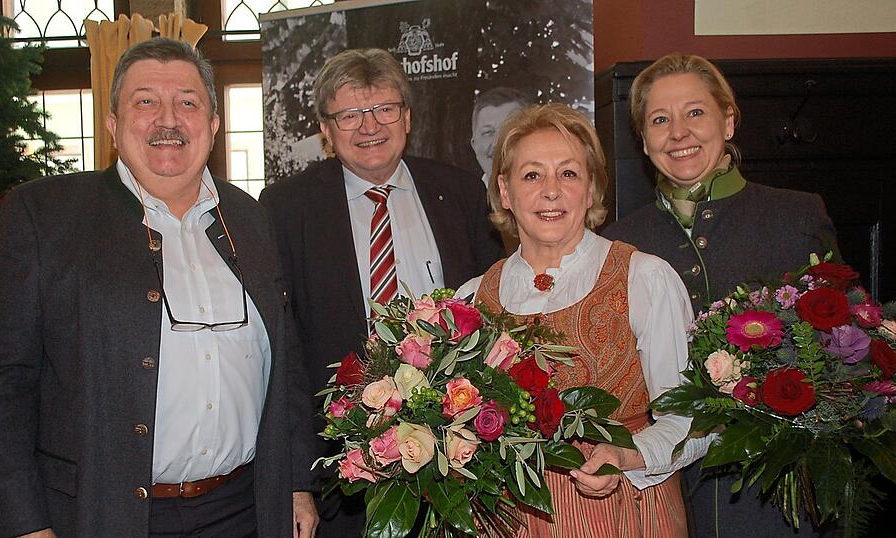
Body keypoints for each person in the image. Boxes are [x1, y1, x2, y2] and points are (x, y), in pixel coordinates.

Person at [0, 38, 318, 538]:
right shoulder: (44, 217)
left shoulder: (251, 218)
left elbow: (284, 360)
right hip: (105, 514)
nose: (168, 119)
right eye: (146, 101)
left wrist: (294, 482)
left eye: (188, 102)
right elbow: (2, 382)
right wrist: (25, 524)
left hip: (244, 510)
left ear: (214, 125)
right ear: (113, 124)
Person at [259, 47, 504, 538]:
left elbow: (493, 312)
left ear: (407, 118)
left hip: (458, 456)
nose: (369, 126)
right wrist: (295, 478)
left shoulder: (459, 193)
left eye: (384, 109)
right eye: (349, 114)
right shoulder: (286, 209)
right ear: (326, 130)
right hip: (343, 470)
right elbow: (283, 351)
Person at [602, 53, 839, 537]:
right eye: (660, 120)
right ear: (644, 141)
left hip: (781, 501)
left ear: (728, 121)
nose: (679, 133)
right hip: (665, 498)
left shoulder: (796, 218)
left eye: (695, 112)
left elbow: (844, 353)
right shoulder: (620, 245)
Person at [456, 103, 709, 537]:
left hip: (623, 512)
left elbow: (694, 420)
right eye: (532, 175)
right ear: (504, 191)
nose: (551, 191)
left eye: (569, 174)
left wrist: (628, 456)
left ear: (591, 189)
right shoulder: (470, 298)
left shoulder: (644, 277)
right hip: (504, 520)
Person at [471, 86, 530, 186]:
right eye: (488, 132)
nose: (497, 144)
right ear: (474, 145)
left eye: (509, 129)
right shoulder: (460, 199)